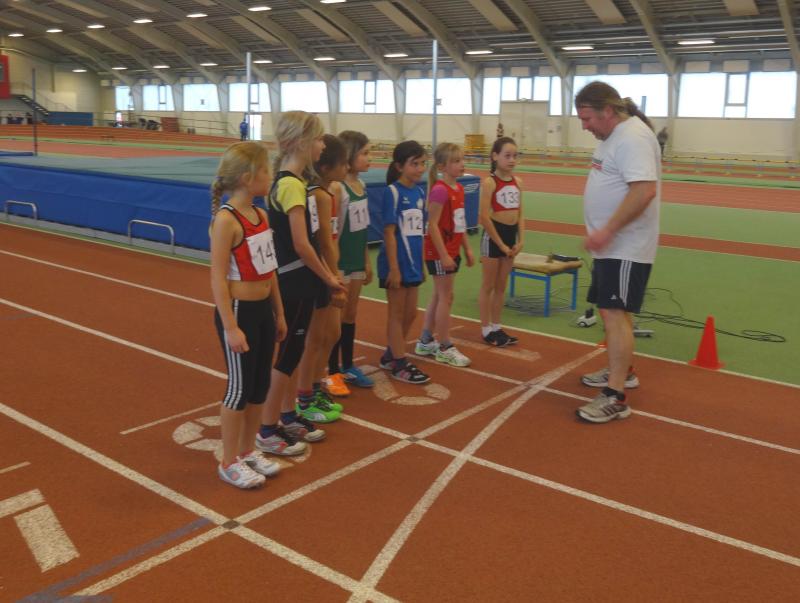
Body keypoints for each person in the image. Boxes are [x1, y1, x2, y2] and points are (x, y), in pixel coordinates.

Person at [256, 111, 346, 454]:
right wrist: (329, 278)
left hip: (298, 279)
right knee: (287, 356)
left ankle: (287, 414)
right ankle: (267, 429)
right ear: (302, 142)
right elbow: (301, 244)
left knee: (292, 354)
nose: (323, 145)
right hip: (294, 280)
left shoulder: (293, 182)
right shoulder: (291, 185)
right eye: (319, 139)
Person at [574, 81, 661, 424]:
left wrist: (608, 230)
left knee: (614, 312)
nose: (585, 126)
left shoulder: (632, 138)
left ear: (607, 111)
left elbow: (644, 192)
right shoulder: (614, 135)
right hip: (611, 246)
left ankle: (615, 396)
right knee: (614, 311)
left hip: (625, 245)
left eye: (587, 118)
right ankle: (622, 372)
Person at [209, 141, 287, 489]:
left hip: (263, 310)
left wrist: (279, 313)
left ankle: (246, 451)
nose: (271, 177)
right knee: (239, 389)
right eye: (266, 171)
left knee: (259, 387)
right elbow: (217, 278)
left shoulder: (262, 216)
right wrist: (230, 327)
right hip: (239, 312)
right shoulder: (227, 220)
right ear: (246, 177)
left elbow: (270, 270)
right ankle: (228, 462)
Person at [295, 134, 350, 415]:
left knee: (332, 333)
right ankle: (305, 395)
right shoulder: (318, 195)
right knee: (316, 337)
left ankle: (315, 386)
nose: (347, 168)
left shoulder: (329, 193)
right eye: (343, 163)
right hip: (321, 272)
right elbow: (324, 243)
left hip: (328, 270)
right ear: (327, 168)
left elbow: (332, 239)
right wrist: (334, 279)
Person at [415, 142, 475, 367]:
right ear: (442, 166)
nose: (462, 164)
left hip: (451, 249)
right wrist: (443, 255)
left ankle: (425, 340)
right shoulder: (440, 190)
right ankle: (445, 346)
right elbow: (432, 225)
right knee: (445, 297)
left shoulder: (458, 188)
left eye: (462, 160)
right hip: (440, 252)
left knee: (440, 295)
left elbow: (460, 222)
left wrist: (467, 248)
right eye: (456, 161)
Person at [377, 140, 430, 384]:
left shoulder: (419, 192)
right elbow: (389, 233)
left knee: (411, 313)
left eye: (423, 163)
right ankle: (399, 362)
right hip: (396, 263)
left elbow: (420, 232)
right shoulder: (393, 192)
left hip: (413, 264)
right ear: (399, 166)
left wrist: (421, 263)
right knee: (396, 314)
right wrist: (394, 268)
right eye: (414, 164)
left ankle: (391, 354)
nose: (420, 169)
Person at [326, 130, 375, 389]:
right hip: (341, 261)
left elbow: (362, 227)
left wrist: (366, 260)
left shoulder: (361, 186)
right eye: (364, 153)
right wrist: (334, 269)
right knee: (334, 320)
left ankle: (348, 365)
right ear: (349, 155)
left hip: (356, 258)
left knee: (351, 314)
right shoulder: (338, 188)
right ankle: (332, 370)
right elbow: (332, 233)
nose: (369, 158)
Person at [478, 137, 523, 347]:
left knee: (501, 286)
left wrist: (520, 240)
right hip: (493, 237)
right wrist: (501, 244)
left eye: (515, 156)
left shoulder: (518, 182)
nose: (512, 160)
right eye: (507, 155)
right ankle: (486, 329)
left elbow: (521, 214)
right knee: (488, 285)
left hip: (510, 237)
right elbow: (483, 217)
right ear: (495, 156)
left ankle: (497, 326)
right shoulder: (490, 182)